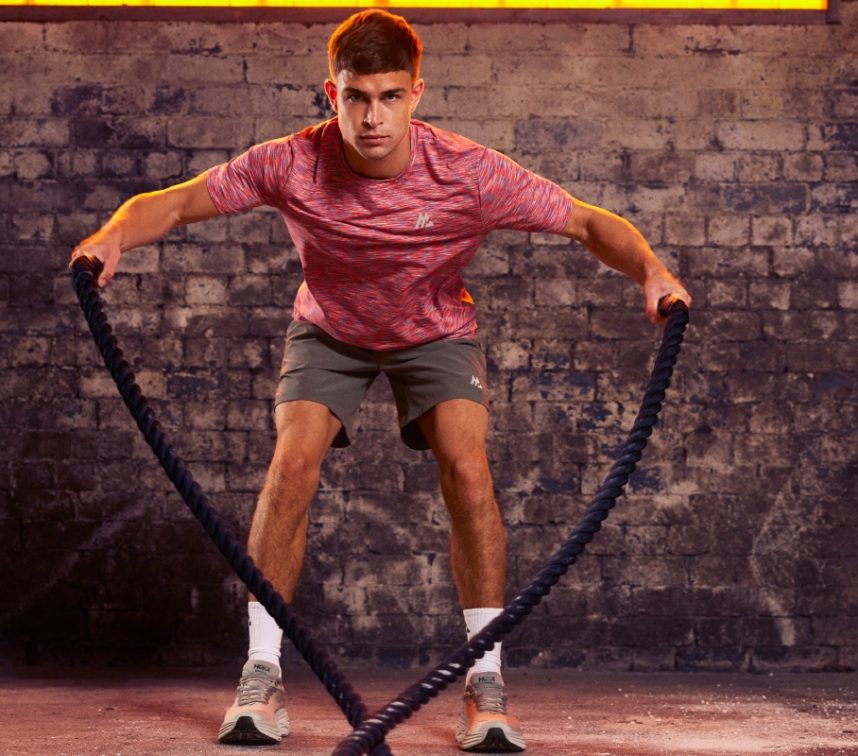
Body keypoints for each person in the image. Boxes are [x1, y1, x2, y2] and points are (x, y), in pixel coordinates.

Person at [70, 9, 691, 752]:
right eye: (357, 98)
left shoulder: (466, 172)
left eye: (390, 97)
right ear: (331, 94)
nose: (372, 118)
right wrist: (110, 236)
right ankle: (261, 675)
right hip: (330, 331)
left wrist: (652, 271)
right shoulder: (291, 163)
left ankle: (486, 682)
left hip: (434, 332)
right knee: (290, 464)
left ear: (415, 94)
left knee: (468, 469)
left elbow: (588, 224)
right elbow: (175, 202)